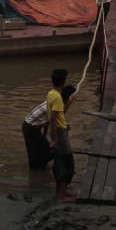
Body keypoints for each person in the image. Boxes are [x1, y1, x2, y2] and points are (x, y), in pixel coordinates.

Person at [47, 68, 75, 203]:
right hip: (60, 132)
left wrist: (69, 101)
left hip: (58, 131)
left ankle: (60, 192)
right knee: (68, 162)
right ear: (63, 82)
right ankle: (62, 196)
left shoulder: (51, 94)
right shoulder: (57, 97)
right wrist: (55, 138)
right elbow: (53, 118)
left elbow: (59, 113)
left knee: (59, 162)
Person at [22, 97, 54, 170]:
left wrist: (44, 136)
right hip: (30, 127)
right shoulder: (54, 107)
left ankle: (38, 166)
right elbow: (52, 125)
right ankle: (39, 167)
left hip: (30, 126)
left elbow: (47, 123)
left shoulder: (51, 101)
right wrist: (53, 141)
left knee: (41, 149)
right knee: (50, 149)